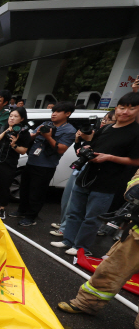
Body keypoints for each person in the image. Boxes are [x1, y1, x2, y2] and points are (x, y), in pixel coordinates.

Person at [51, 92, 139, 254]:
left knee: (92, 218)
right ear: (116, 108)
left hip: (107, 181)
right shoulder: (106, 128)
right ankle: (68, 240)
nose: (124, 112)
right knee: (74, 212)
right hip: (87, 174)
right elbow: (94, 145)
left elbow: (135, 160)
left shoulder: (135, 132)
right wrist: (86, 149)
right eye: (122, 107)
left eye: (131, 108)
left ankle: (80, 247)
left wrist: (110, 157)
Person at [57, 169, 139, 329]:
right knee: (110, 270)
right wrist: (135, 188)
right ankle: (86, 304)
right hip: (137, 235)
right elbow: (136, 178)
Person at [50, 112, 117, 238]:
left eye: (108, 120)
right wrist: (77, 141)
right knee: (67, 199)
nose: (103, 122)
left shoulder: (110, 136)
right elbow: (80, 153)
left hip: (92, 174)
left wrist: (90, 140)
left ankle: (65, 230)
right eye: (103, 119)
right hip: (79, 168)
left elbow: (96, 155)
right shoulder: (97, 132)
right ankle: (64, 224)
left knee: (75, 205)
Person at [10, 101, 77, 226]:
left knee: (37, 193)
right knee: (24, 189)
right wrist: (35, 134)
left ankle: (31, 217)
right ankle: (21, 210)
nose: (54, 114)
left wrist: (48, 137)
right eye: (53, 111)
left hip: (46, 166)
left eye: (58, 112)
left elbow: (61, 149)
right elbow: (28, 138)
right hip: (31, 162)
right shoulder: (46, 124)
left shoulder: (69, 130)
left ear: (67, 114)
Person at [0, 107, 33, 219]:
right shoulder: (2, 128)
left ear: (22, 119)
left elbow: (23, 150)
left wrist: (14, 144)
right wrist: (4, 132)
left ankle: (2, 209)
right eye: (11, 116)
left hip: (9, 163)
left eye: (15, 116)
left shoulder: (24, 133)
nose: (12, 118)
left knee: (5, 187)